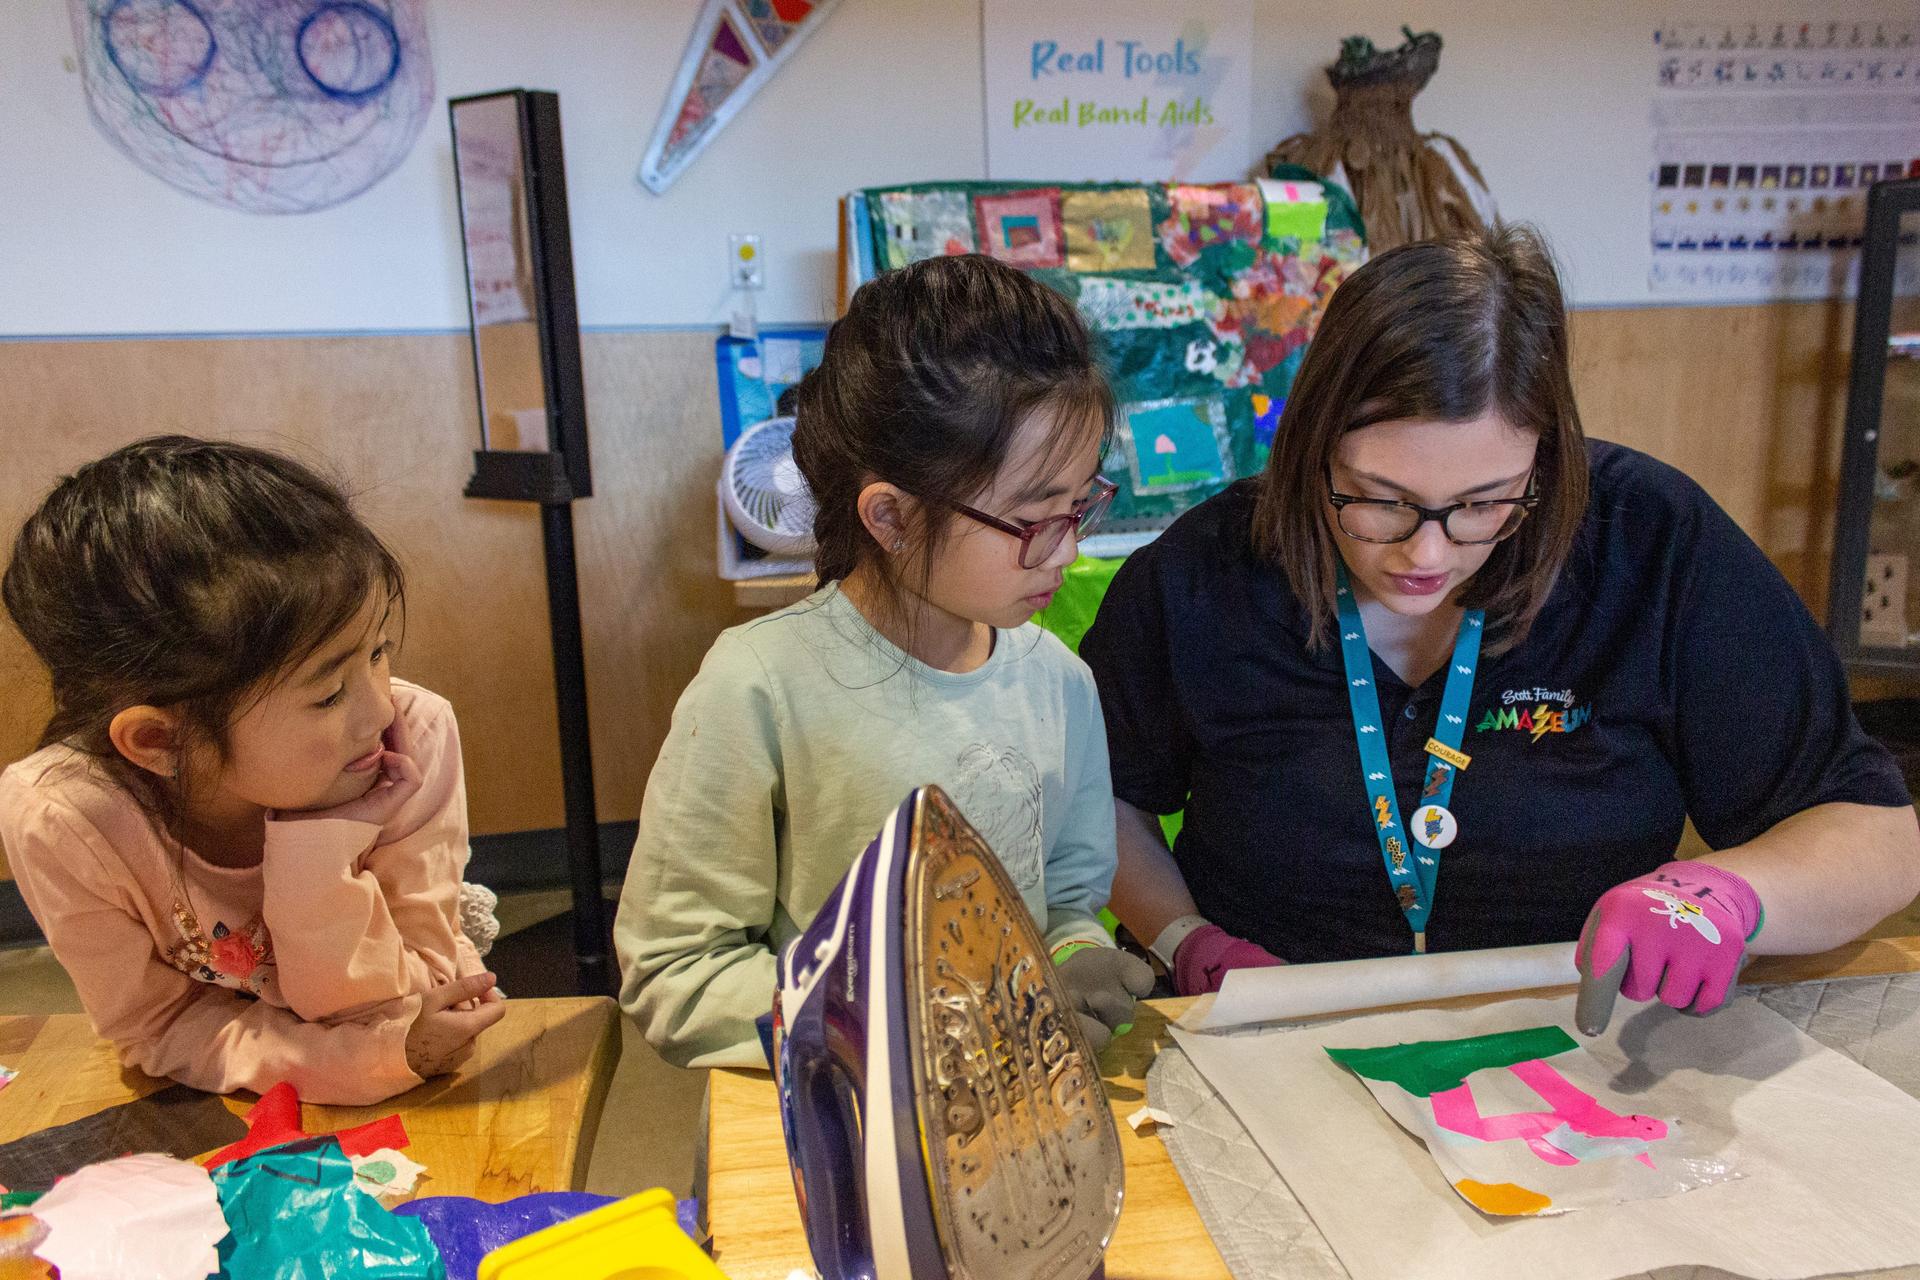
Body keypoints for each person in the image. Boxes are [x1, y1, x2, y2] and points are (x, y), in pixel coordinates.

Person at [1080, 225, 1920, 1029]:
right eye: (1380, 497)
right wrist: (1185, 937)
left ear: (1546, 461)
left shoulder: (1650, 539)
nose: (1426, 551)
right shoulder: (1207, 570)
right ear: (1310, 449)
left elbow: (1876, 833)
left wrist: (1730, 897)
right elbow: (1106, 791)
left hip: (1579, 1048)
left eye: (1484, 503)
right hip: (1273, 1037)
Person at [615, 254, 1152, 1068]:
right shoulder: (759, 686)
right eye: (1035, 519)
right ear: (892, 517)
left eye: (1081, 505)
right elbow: (677, 973)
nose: (1068, 551)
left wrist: (1076, 961)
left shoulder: (1060, 684)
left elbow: (1067, 904)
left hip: (1018, 1112)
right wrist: (902, 1025)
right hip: (839, 1141)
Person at [0, 437, 503, 1106]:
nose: (380, 707)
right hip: (234, 1107)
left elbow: (405, 1002)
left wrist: (317, 845)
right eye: (327, 694)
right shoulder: (64, 821)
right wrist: (365, 1060)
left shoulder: (414, 736)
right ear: (158, 739)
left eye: (378, 650)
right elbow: (156, 1026)